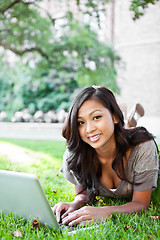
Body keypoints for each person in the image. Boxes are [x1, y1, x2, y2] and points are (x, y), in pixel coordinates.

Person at [53, 86, 159, 227]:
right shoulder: (75, 154)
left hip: (146, 159)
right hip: (113, 130)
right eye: (80, 122)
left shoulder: (143, 147)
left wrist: (105, 211)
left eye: (97, 117)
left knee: (126, 135)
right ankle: (126, 122)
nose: (89, 129)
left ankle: (129, 122)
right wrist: (74, 204)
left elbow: (141, 203)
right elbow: (83, 194)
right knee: (113, 133)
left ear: (114, 116)